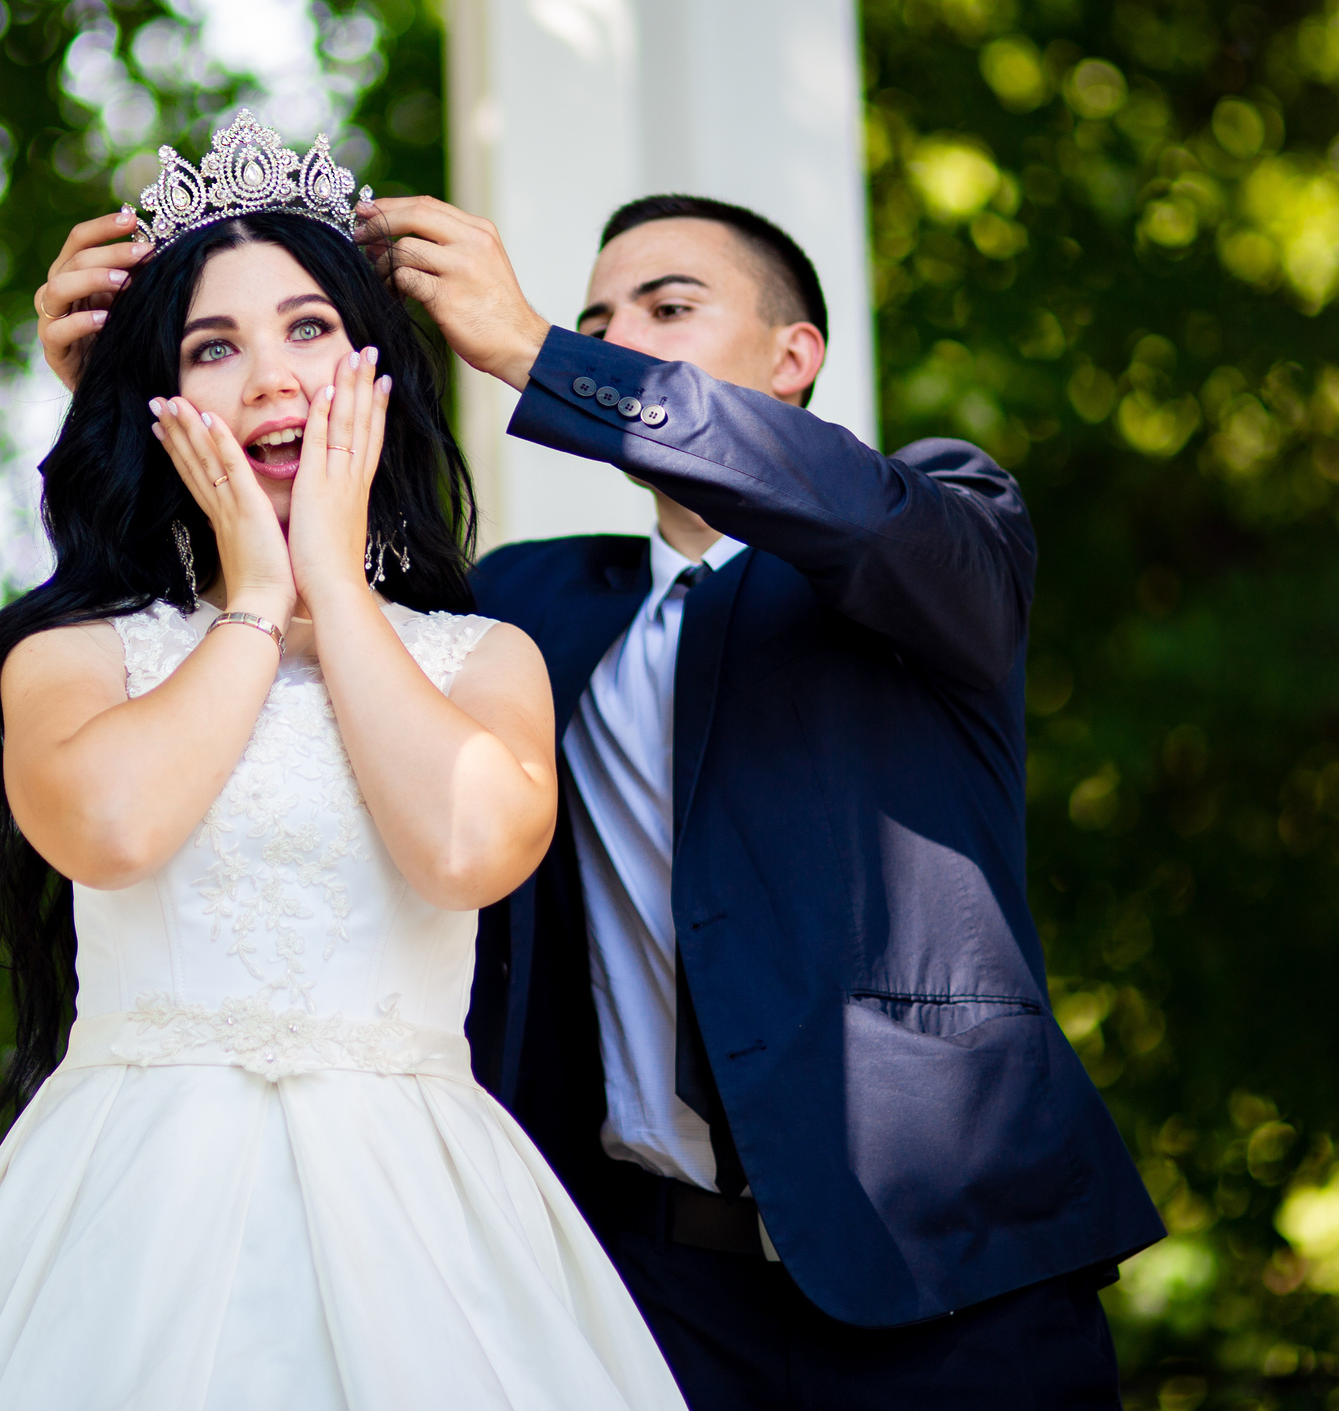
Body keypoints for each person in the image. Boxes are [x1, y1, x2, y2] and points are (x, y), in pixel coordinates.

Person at [0, 116, 686, 1411]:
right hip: (130, 1217)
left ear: (377, 367)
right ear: (162, 404)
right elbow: (114, 827)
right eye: (214, 345)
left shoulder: (487, 656)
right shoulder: (70, 653)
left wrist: (329, 575)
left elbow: (464, 846)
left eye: (310, 327)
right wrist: (256, 597)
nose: (269, 375)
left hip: (423, 1217)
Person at [362, 191, 1169, 1407]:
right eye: (597, 314)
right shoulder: (527, 606)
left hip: (954, 1277)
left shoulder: (939, 529)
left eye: (668, 305)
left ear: (795, 358)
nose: (618, 329)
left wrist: (541, 353)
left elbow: (849, 512)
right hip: (651, 1298)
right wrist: (133, 388)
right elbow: (291, 598)